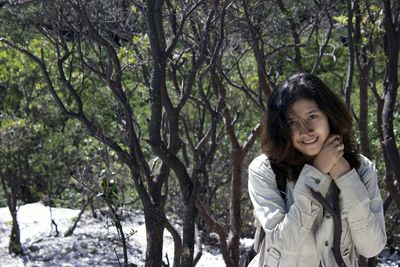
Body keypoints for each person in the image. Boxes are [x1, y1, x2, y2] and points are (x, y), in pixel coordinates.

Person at [248, 73, 386, 267]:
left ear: (330, 116)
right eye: (292, 123)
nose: (305, 131)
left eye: (312, 116)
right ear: (281, 128)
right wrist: (317, 172)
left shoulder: (361, 169)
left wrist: (346, 177)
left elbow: (371, 247)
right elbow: (284, 244)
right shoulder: (265, 170)